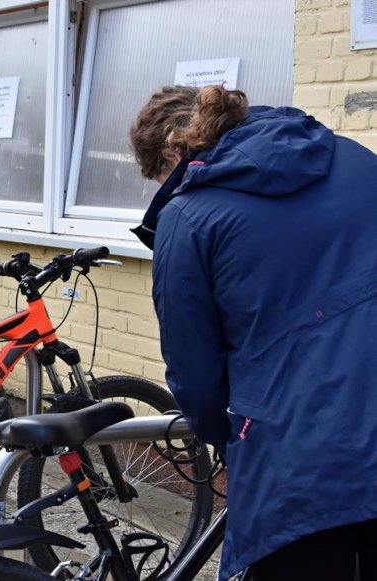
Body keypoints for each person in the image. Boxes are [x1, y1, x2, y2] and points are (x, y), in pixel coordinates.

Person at [130, 85, 377, 580]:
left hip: (299, 459)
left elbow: (195, 375)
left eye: (160, 177)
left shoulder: (189, 214)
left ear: (175, 152)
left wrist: (230, 437)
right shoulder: (353, 157)